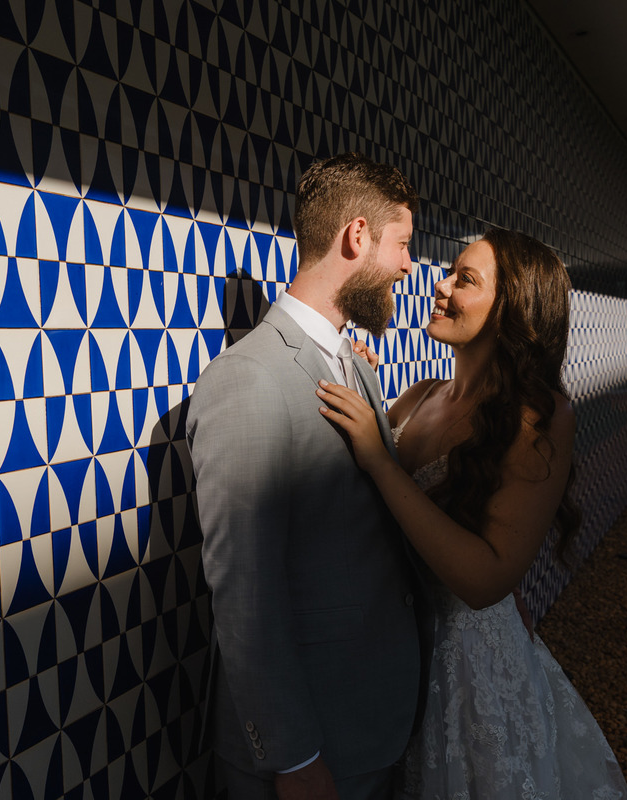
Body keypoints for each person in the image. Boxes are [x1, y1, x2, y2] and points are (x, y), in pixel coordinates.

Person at [316, 228, 627, 799]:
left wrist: (381, 461)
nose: (440, 286)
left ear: (514, 309)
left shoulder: (541, 417)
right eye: (449, 271)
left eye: (465, 279)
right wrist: (362, 385)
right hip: (393, 653)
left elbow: (487, 579)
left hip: (467, 671)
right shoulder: (419, 395)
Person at [185, 152, 431, 800]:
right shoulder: (247, 381)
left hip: (367, 727)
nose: (410, 266)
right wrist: (293, 758)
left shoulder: (353, 362)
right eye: (403, 244)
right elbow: (245, 594)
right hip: (309, 760)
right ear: (357, 236)